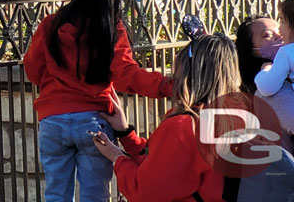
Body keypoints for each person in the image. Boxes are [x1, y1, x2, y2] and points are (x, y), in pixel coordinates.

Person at [23, 0, 172, 202]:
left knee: (56, 194)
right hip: (95, 121)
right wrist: (168, 86)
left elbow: (33, 70)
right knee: (95, 195)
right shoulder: (111, 28)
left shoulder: (51, 24)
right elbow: (126, 75)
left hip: (52, 119)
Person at [92, 35, 242, 202]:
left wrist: (117, 158)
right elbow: (162, 164)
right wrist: (126, 133)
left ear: (187, 74)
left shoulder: (184, 126)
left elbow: (145, 193)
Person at [236, 14, 294, 143]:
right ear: (252, 51)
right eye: (267, 35)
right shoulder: (268, 91)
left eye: (280, 29)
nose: (279, 36)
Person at [254, 0, 294, 133]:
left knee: (260, 95)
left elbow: (267, 88)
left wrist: (265, 71)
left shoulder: (287, 52)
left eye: (282, 21)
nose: (279, 30)